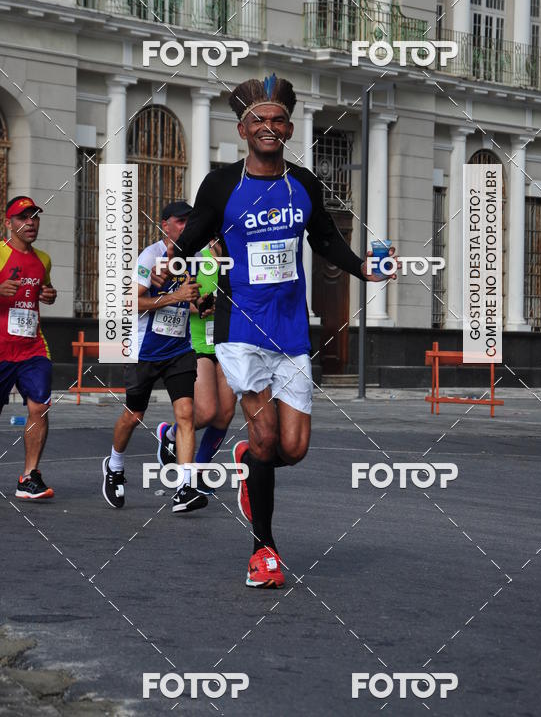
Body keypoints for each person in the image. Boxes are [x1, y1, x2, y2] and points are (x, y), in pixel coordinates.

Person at [171, 74, 392, 588]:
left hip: (291, 332)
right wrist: (173, 265)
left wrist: (367, 269)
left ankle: (249, 460)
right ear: (243, 128)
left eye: (277, 120)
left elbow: (327, 242)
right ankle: (264, 551)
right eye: (258, 120)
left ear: (289, 128)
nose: (268, 128)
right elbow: (194, 235)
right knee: (266, 433)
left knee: (292, 448)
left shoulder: (304, 184)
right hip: (241, 328)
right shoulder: (222, 185)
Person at [101, 200, 205, 514]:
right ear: (165, 225)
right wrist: (174, 296)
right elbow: (131, 303)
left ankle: (185, 488)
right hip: (144, 350)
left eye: (191, 220)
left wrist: (201, 302)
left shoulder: (195, 256)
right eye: (181, 221)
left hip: (178, 349)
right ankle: (115, 465)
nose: (187, 226)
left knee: (186, 414)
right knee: (134, 415)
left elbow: (192, 299)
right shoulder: (150, 256)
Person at [156, 241, 237, 497]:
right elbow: (174, 298)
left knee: (224, 414)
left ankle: (199, 471)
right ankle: (169, 433)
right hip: (198, 342)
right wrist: (199, 305)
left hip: (228, 343)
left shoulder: (238, 261)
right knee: (206, 412)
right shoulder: (194, 260)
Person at [0, 196, 57, 499]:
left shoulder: (43, 259)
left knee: (40, 407)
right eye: (23, 218)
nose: (31, 223)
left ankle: (28, 477)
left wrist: (49, 294)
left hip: (32, 347)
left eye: (34, 217)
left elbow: (43, 290)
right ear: (9, 223)